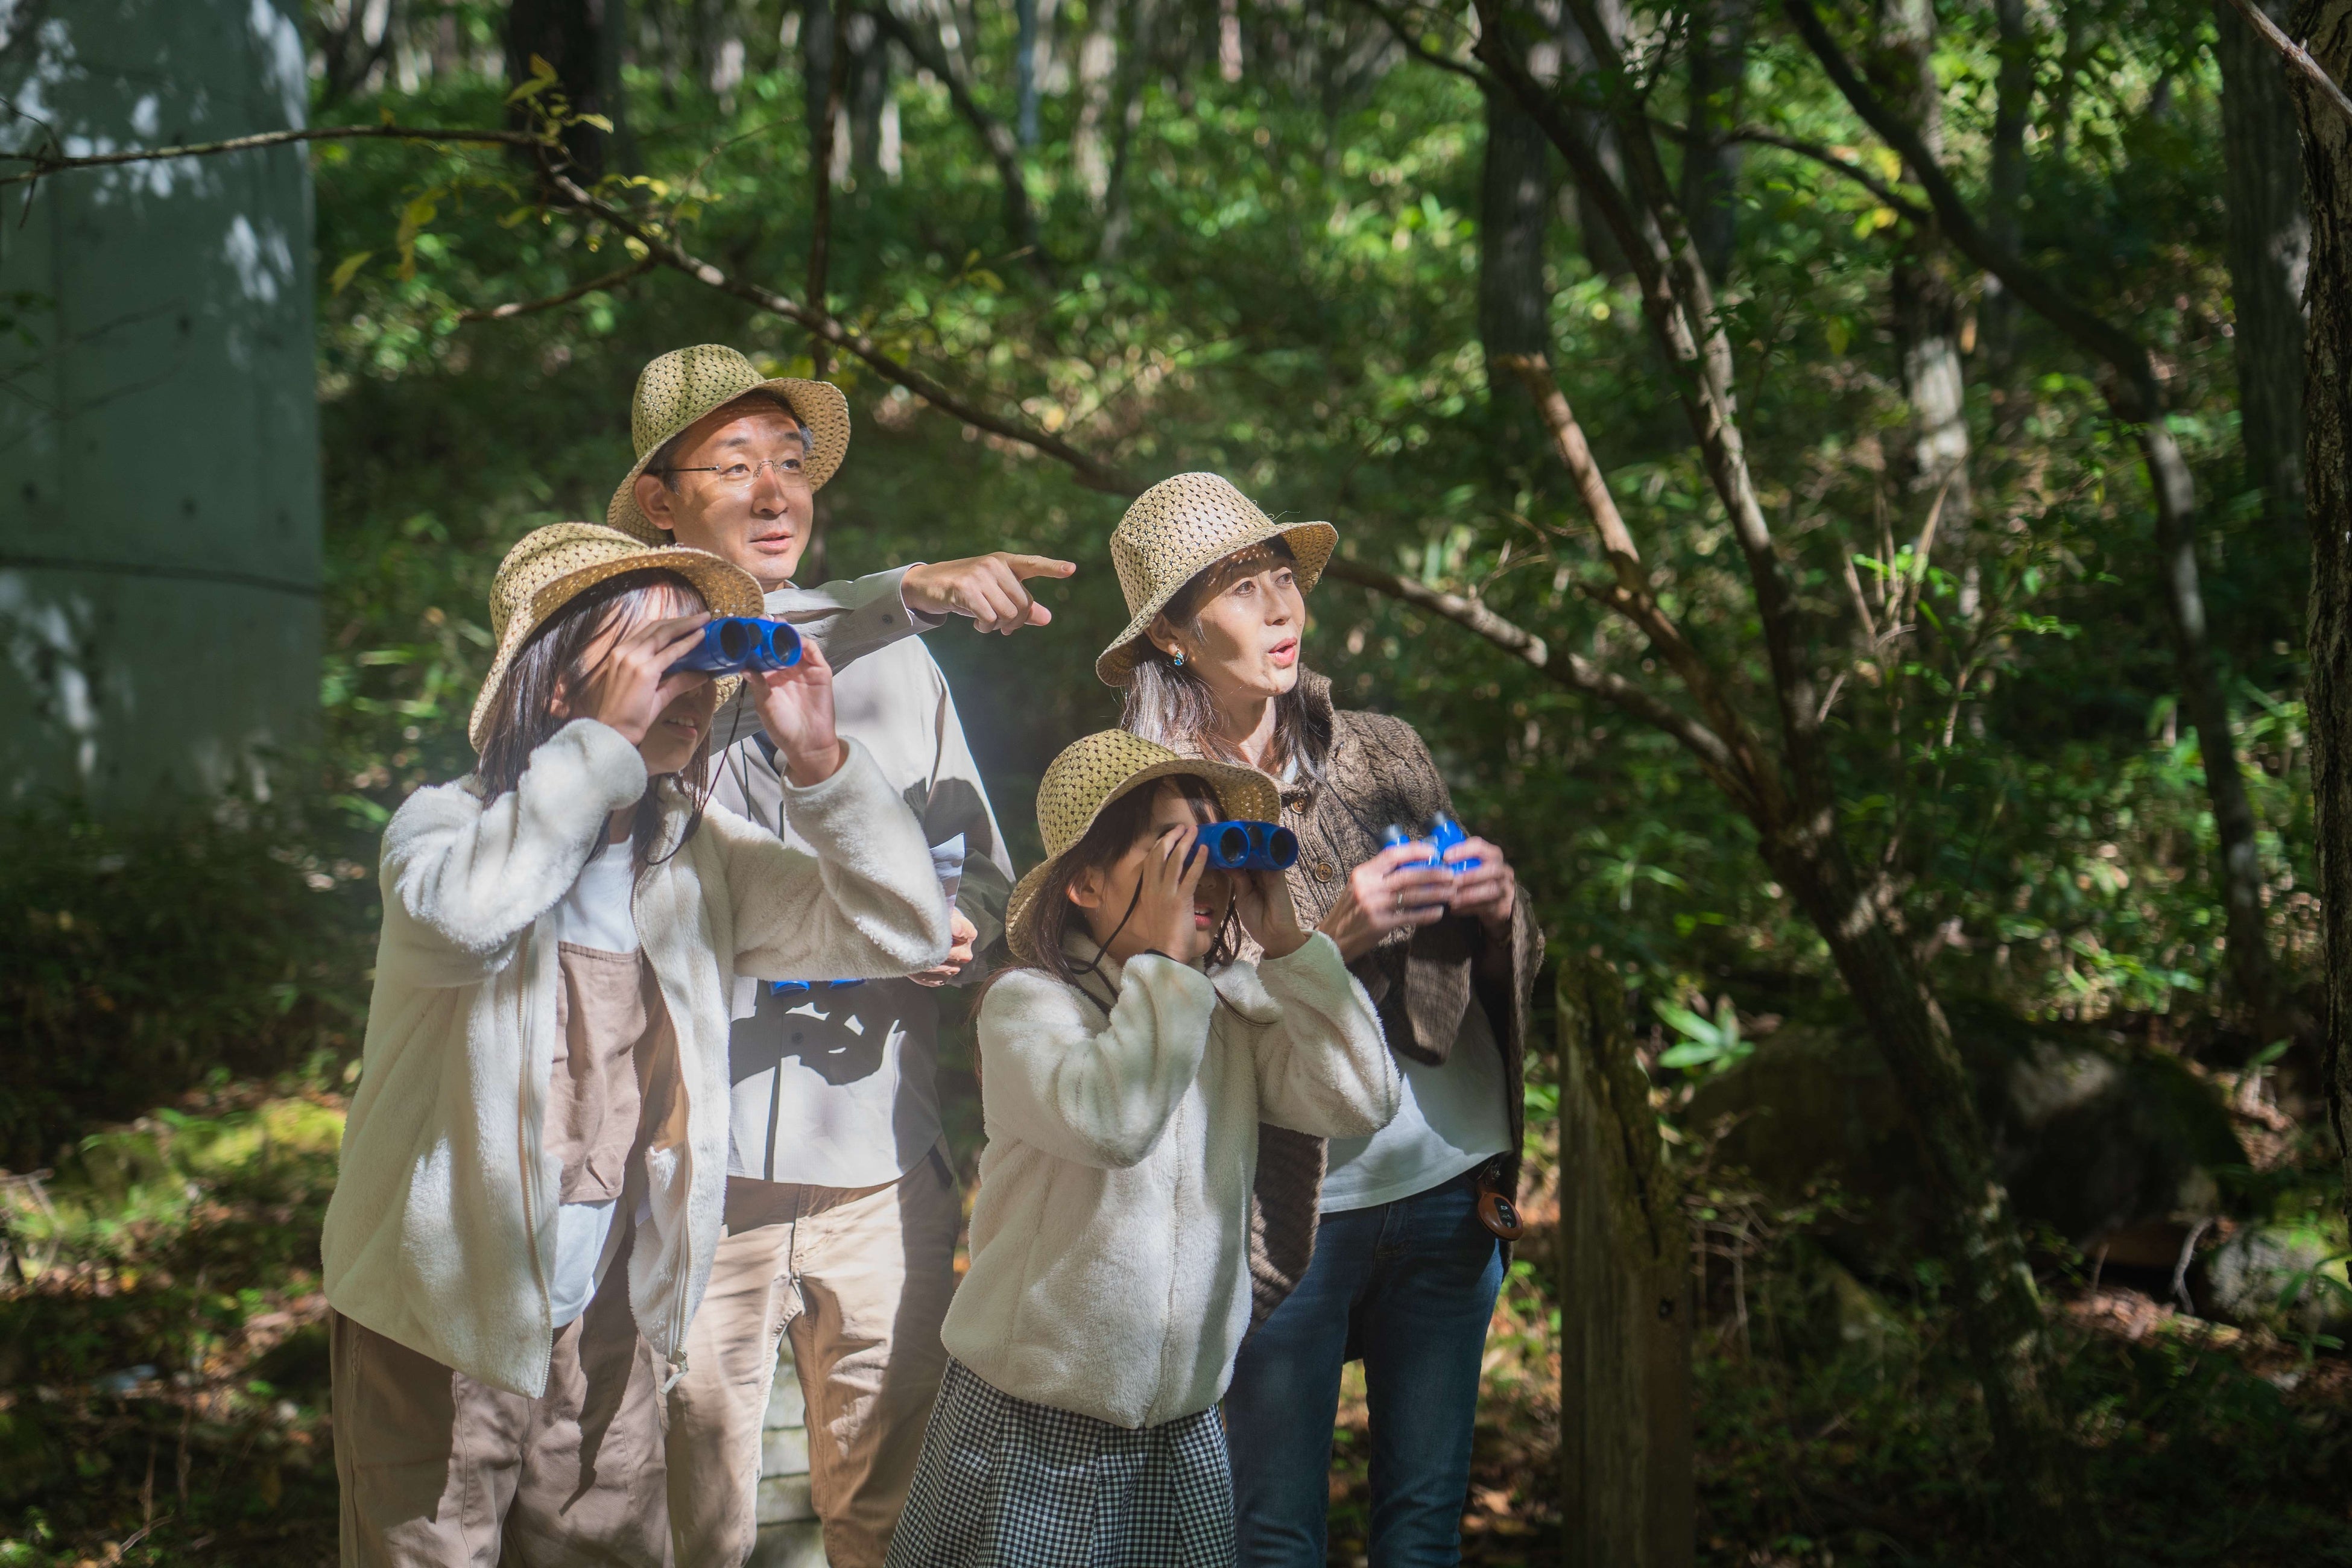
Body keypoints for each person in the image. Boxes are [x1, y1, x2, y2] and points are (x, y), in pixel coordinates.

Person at [320, 523, 953, 1567]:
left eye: (704, 657)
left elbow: (904, 927)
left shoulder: (693, 861)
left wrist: (821, 761)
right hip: (434, 1318)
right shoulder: (442, 827)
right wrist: (604, 748)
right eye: (660, 659)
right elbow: (471, 916)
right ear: (558, 686)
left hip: (609, 1314)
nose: (695, 685)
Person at [601, 344, 1029, 1568]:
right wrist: (917, 583)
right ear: (660, 501)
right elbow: (736, 661)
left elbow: (983, 871)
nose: (778, 493)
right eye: (735, 466)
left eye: (793, 465)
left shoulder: (897, 666)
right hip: (699, 1167)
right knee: (696, 1521)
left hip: (881, 1166)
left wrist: (965, 929)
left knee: (893, 1511)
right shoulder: (622, 680)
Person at [1101, 473, 1544, 1567]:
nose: (1283, 610)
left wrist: (1496, 903)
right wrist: (1330, 938)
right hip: (1283, 1217)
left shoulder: (1380, 749)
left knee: (1423, 1527)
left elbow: (1502, 963)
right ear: (1169, 630)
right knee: (1274, 1535)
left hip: (1448, 1181)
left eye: (1283, 580)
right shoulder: (1143, 802)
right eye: (1242, 591)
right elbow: (1146, 1021)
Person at [886, 730, 1401, 1568]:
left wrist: (1293, 951)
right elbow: (1113, 1122)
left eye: (1217, 854)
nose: (1209, 878)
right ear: (1085, 882)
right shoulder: (1029, 1007)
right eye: (1177, 853)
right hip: (1031, 1424)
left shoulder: (1219, 1013)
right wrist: (1167, 964)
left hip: (1179, 1427)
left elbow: (1362, 1099)